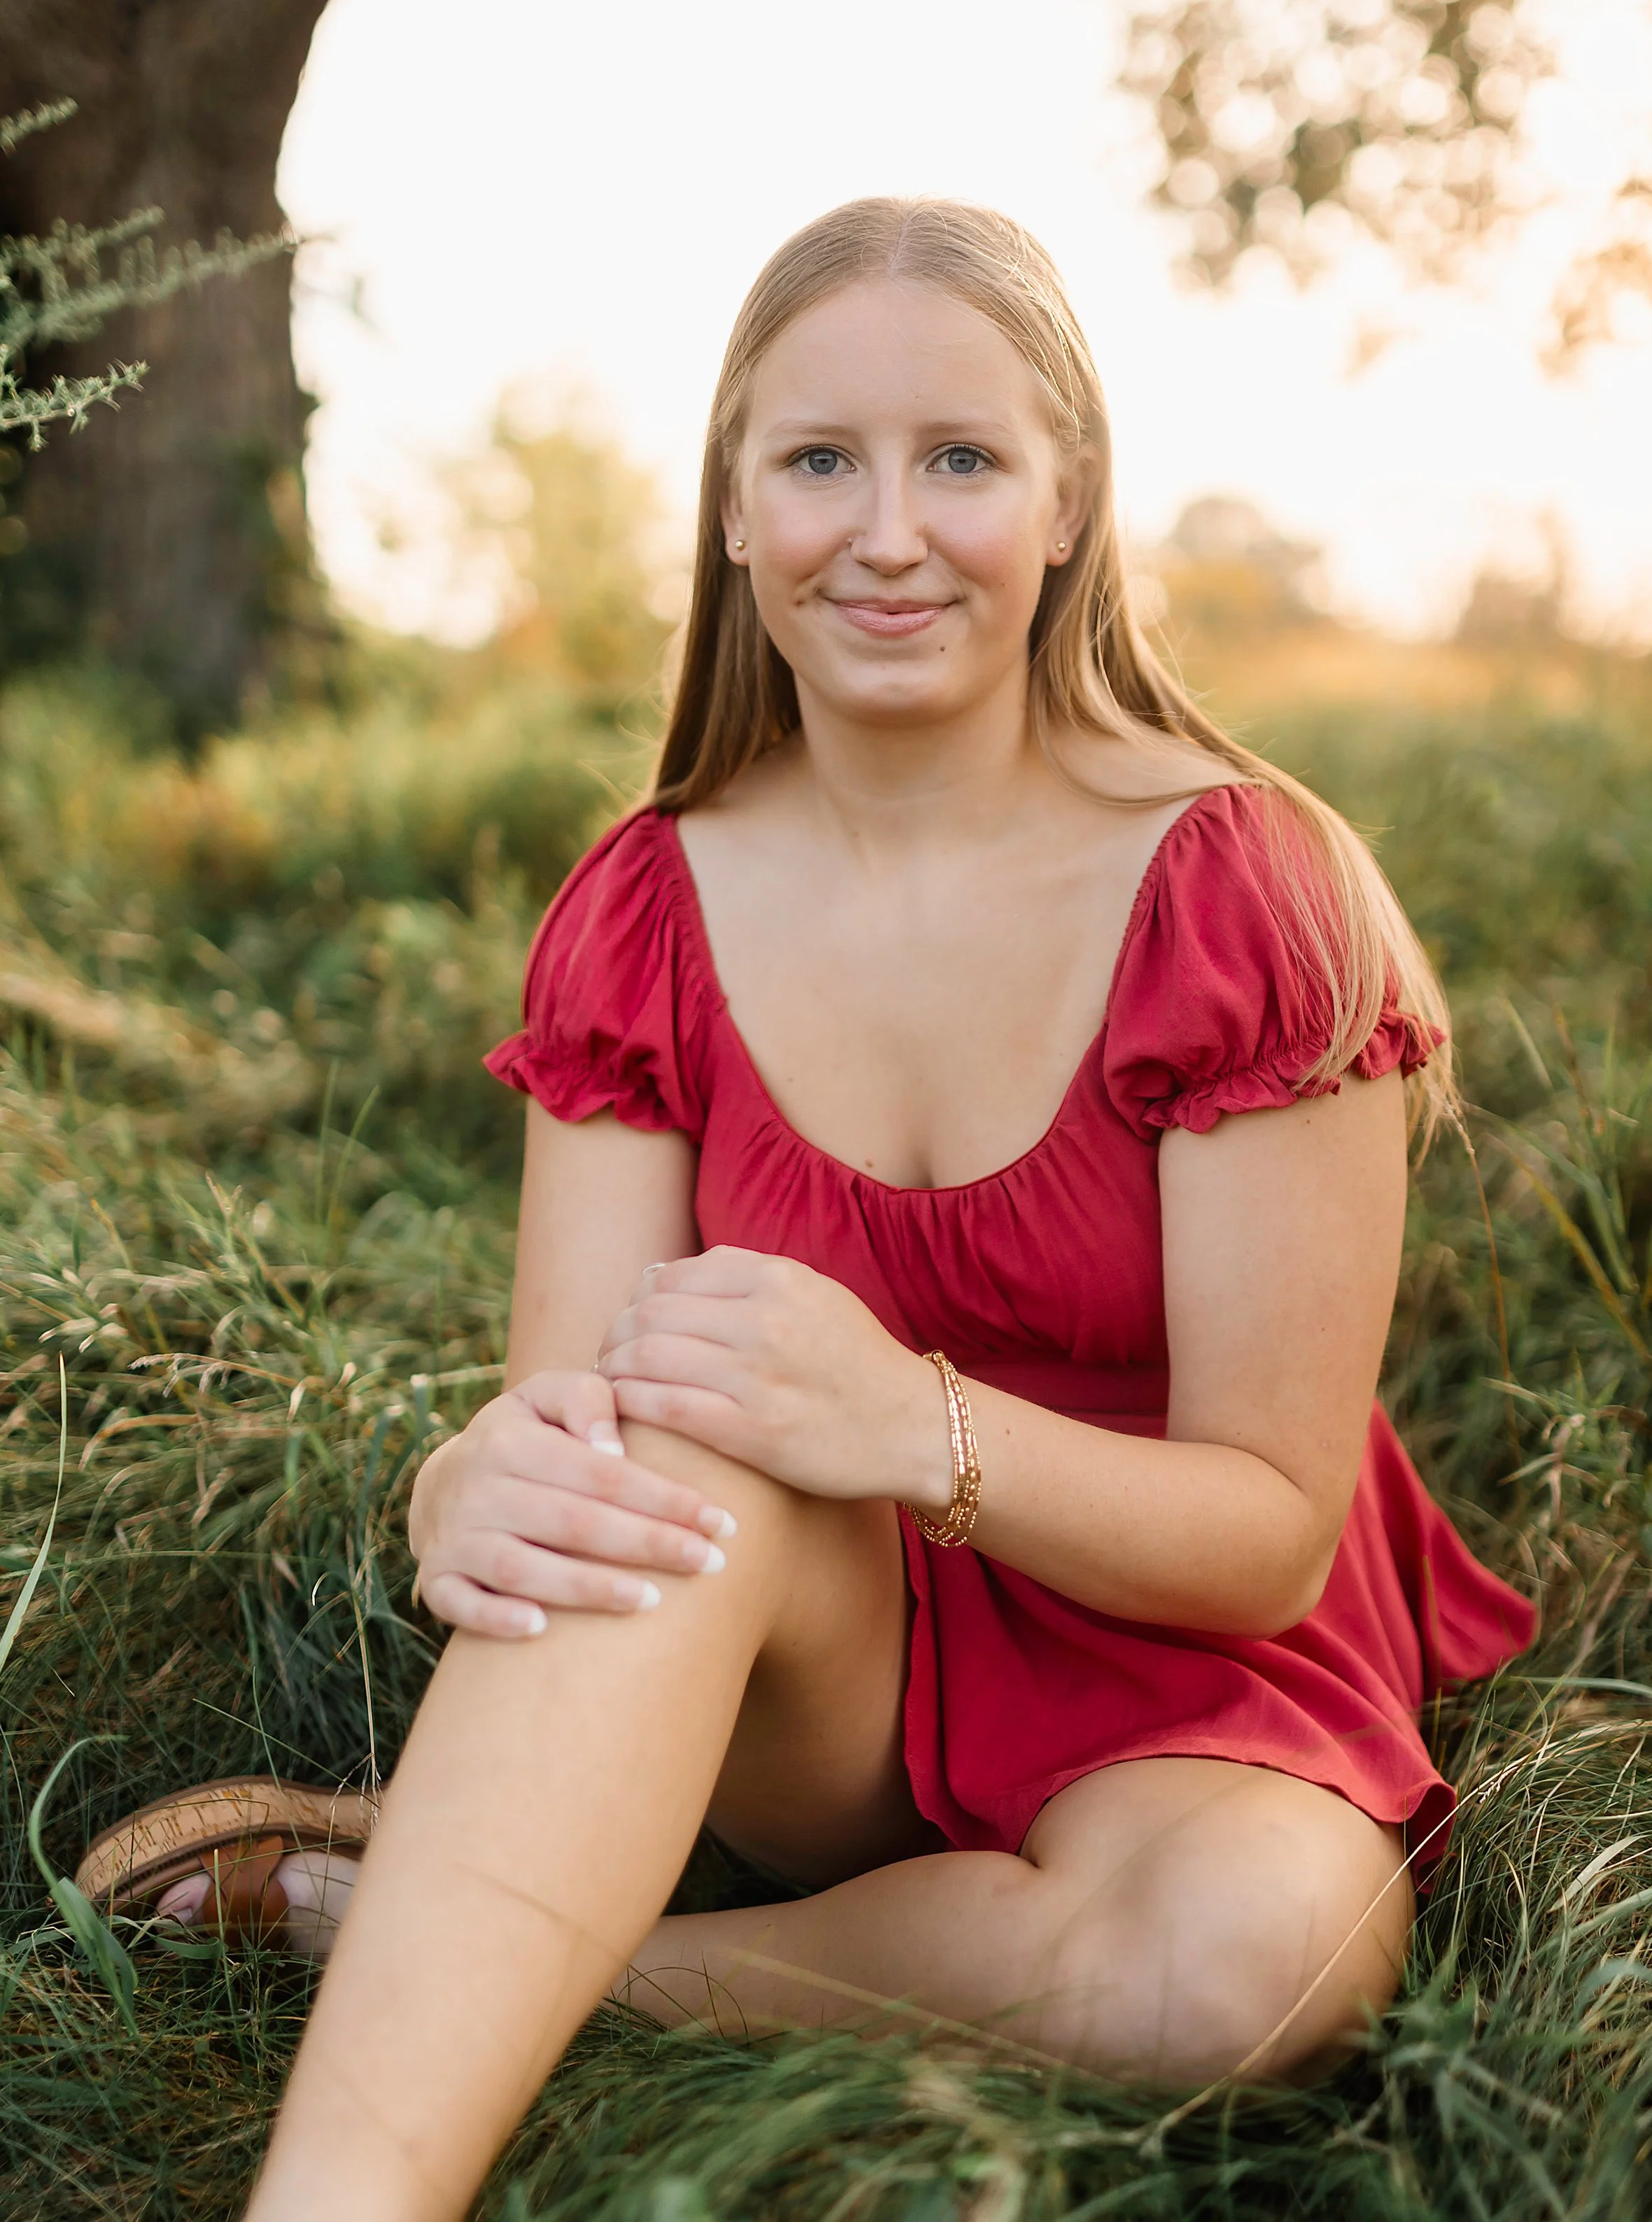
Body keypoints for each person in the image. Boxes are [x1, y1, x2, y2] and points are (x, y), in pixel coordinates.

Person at [80, 199, 1535, 2222]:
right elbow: (576, 1423)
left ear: (1067, 503)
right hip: (821, 1658)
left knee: (1235, 1968)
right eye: (821, 460)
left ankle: (463, 1921)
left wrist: (911, 1420)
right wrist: (464, 1478)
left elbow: (1269, 1535)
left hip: (1194, 1664)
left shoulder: (1246, 893)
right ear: (734, 509)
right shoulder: (646, 905)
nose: (888, 534)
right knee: (656, 1454)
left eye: (962, 459)